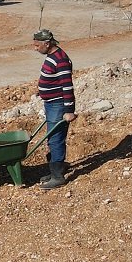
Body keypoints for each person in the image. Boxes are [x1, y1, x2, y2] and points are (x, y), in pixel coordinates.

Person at [32, 29, 77, 189]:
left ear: (47, 43)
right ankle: (55, 170)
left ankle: (58, 176)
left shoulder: (61, 59)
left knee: (55, 139)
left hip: (58, 105)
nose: (35, 48)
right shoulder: (52, 57)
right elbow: (54, 80)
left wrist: (69, 110)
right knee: (53, 138)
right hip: (51, 103)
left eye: (37, 45)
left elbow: (67, 86)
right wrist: (43, 89)